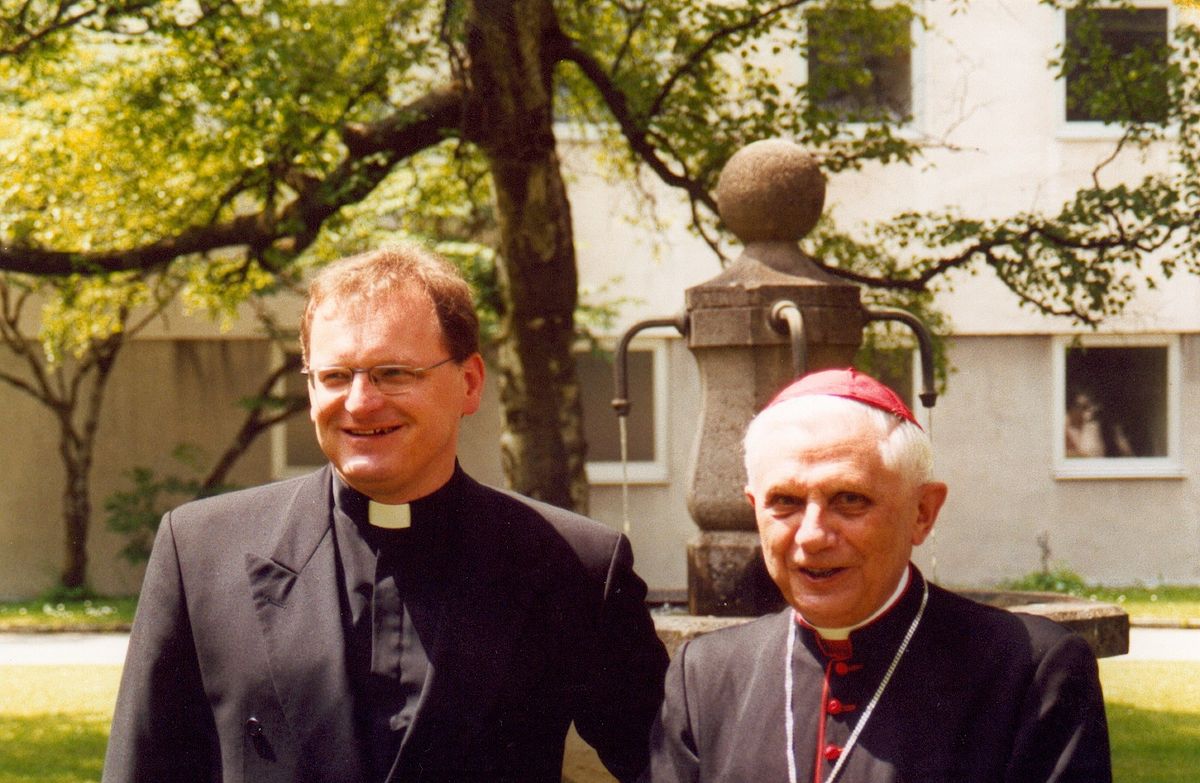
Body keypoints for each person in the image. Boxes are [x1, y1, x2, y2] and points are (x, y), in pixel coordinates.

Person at [103, 245, 668, 783]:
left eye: (393, 373)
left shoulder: (574, 565)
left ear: (468, 383)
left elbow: (670, 766)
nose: (359, 402)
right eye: (334, 376)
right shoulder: (201, 551)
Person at [646, 368, 1111, 782]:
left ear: (922, 513)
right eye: (784, 501)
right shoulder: (705, 676)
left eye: (849, 499)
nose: (812, 536)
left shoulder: (1028, 670)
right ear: (755, 511)